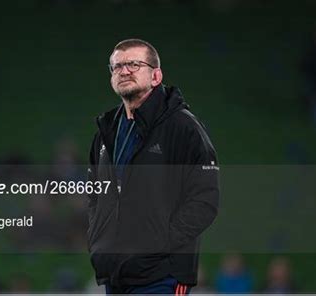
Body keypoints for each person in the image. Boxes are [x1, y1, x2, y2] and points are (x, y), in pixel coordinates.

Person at [87, 39, 220, 294]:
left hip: (162, 275)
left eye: (134, 64)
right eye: (116, 67)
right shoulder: (105, 132)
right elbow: (95, 195)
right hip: (115, 274)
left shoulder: (183, 127)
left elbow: (205, 200)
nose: (124, 71)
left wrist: (158, 242)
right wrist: (99, 242)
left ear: (156, 75)